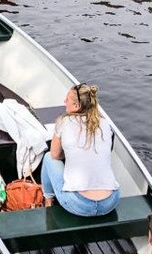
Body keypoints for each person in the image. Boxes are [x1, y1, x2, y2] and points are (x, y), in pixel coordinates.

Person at [41, 83, 120, 218]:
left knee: (48, 158)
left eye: (67, 100)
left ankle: (48, 201)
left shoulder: (63, 122)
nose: (64, 102)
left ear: (76, 106)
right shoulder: (105, 123)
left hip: (78, 205)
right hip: (110, 202)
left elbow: (55, 155)